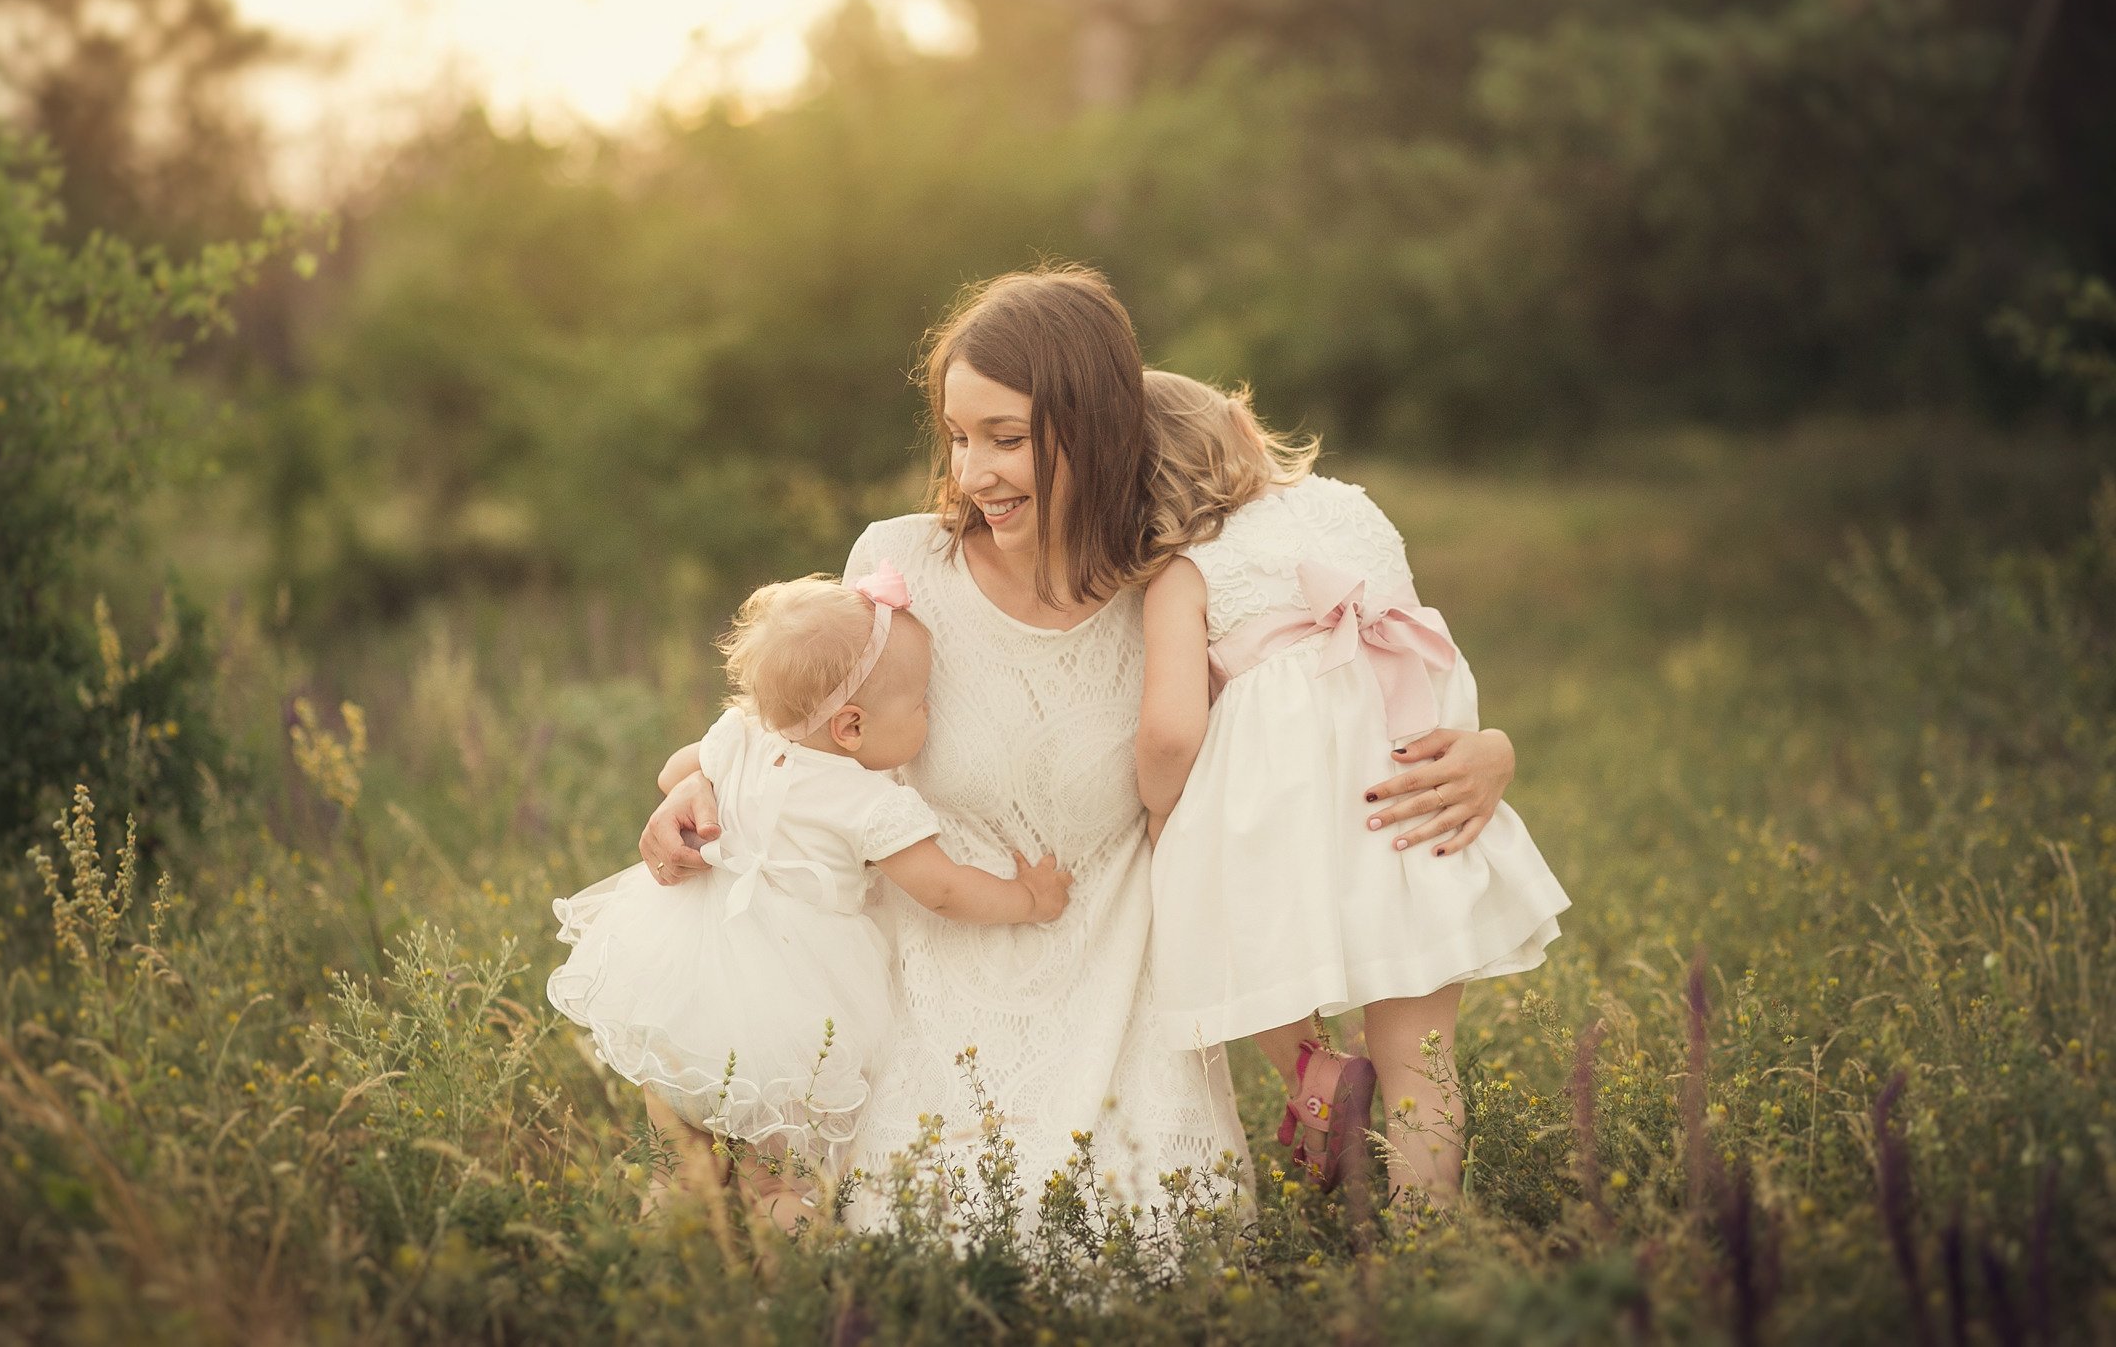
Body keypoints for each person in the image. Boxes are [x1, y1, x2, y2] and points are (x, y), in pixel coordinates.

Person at [637, 266, 1523, 1223]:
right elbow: (804, 724)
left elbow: (1321, 727)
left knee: (1143, 1256)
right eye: (957, 435)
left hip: (1125, 1021)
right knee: (914, 1250)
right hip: (929, 1010)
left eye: (1006, 438)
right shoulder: (898, 566)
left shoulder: (1180, 588)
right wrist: (697, 776)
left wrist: (1490, 751)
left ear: (1096, 430)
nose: (972, 472)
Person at [1134, 370, 1570, 1201]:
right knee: (1422, 1058)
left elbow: (1170, 731)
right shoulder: (1352, 507)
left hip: (1283, 828)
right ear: (1243, 426)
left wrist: (1162, 810)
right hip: (1410, 800)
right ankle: (1426, 1234)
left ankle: (1315, 1074)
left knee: (1225, 922)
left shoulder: (1182, 572)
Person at [548, 567, 1072, 1228]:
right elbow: (942, 889)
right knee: (781, 1183)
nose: (931, 713)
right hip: (788, 1010)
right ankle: (788, 1297)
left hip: (686, 985)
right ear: (851, 727)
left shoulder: (741, 735)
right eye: (920, 704)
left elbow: (671, 773)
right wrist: (1028, 898)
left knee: (677, 1166)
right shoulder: (868, 801)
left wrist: (709, 777)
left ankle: (666, 1286)